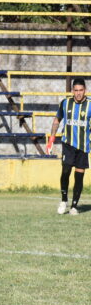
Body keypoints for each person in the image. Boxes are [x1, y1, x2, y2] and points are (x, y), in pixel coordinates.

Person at [47, 77, 91, 215]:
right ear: (72, 91)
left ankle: (74, 206)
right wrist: (51, 139)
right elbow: (57, 120)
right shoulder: (65, 103)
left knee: (79, 177)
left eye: (81, 90)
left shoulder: (90, 105)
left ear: (85, 90)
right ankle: (64, 200)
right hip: (68, 144)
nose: (78, 93)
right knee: (65, 171)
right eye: (76, 90)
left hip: (83, 147)